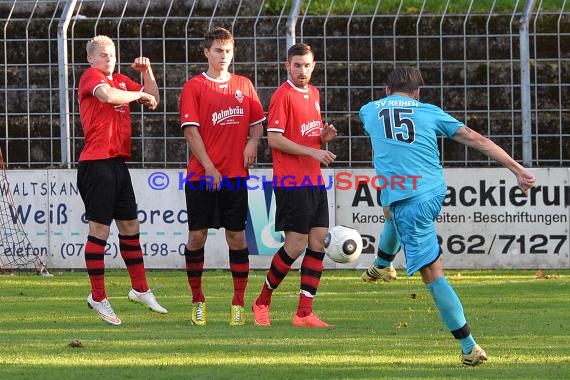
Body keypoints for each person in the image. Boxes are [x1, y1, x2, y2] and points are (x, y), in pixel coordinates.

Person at [359, 66, 536, 366]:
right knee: (389, 204)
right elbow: (474, 138)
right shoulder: (429, 111)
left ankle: (469, 346)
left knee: (432, 272)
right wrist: (517, 169)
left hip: (411, 201)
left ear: (387, 90)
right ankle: (382, 266)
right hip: (431, 192)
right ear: (417, 93)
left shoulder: (368, 110)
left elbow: (388, 141)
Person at [77, 35, 167, 326]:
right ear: (91, 59)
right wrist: (137, 95)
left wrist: (146, 74)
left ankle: (140, 288)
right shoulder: (92, 77)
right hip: (95, 164)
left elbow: (153, 98)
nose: (109, 59)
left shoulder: (121, 80)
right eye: (103, 55)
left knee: (130, 227)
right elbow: (107, 96)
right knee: (99, 231)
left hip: (117, 164)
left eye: (112, 54)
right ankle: (98, 296)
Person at [179, 27, 265, 326]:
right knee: (197, 236)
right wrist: (210, 168)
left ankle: (238, 303)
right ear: (206, 52)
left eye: (227, 51)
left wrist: (253, 141)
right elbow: (191, 131)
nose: (223, 56)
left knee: (237, 238)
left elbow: (257, 123)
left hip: (234, 177)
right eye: (218, 50)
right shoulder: (194, 87)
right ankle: (197, 300)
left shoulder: (244, 84)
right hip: (202, 177)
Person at [251, 43, 337, 328]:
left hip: (314, 180)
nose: (302, 70)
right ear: (287, 66)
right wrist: (313, 151)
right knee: (295, 244)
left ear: (314, 66)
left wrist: (322, 138)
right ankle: (262, 301)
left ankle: (304, 313)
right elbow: (274, 138)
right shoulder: (282, 95)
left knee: (317, 242)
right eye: (297, 65)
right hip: (292, 181)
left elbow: (307, 135)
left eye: (307, 65)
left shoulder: (313, 93)